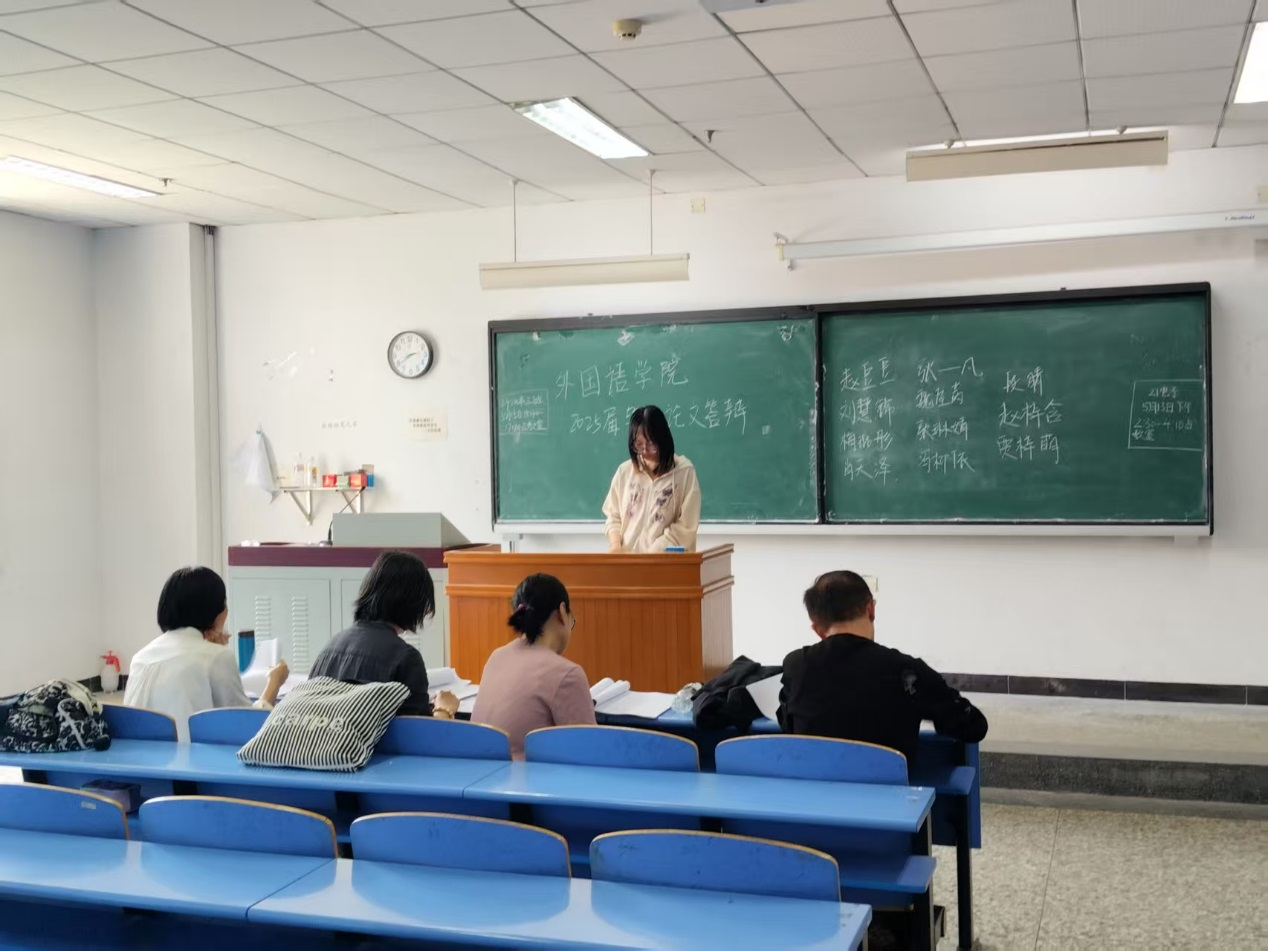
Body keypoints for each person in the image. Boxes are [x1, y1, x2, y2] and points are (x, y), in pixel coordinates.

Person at [778, 571, 988, 765]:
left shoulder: (796, 665)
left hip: (814, 788)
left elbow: (789, 724)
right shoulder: (907, 671)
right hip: (888, 791)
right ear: (871, 609)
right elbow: (974, 727)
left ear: (817, 629)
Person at [124, 566, 288, 741]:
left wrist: (211, 648)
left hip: (138, 756)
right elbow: (247, 727)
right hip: (192, 757)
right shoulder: (217, 656)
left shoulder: (140, 658)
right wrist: (274, 682)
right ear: (214, 611)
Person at [309, 550, 458, 718]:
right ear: (414, 603)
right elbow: (419, 732)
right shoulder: (406, 659)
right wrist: (445, 709)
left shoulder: (330, 647)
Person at [471, 573, 596, 758]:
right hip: (527, 776)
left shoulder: (496, 657)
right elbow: (588, 754)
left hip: (478, 772)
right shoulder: (567, 674)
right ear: (562, 612)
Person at [602, 405, 702, 553]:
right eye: (638, 445)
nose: (645, 451)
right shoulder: (625, 472)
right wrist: (615, 545)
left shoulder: (684, 472)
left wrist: (654, 552)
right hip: (627, 561)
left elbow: (686, 526)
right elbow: (613, 516)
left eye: (651, 444)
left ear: (663, 440)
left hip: (665, 562)